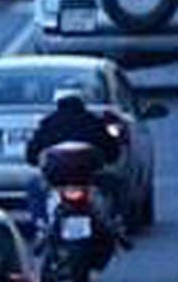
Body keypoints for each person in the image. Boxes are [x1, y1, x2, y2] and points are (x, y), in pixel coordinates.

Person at [25, 89, 128, 240]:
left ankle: (41, 224)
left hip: (57, 179)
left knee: (34, 186)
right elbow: (113, 154)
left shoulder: (48, 123)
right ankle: (118, 222)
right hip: (89, 177)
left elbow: (31, 155)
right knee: (116, 183)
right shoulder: (93, 121)